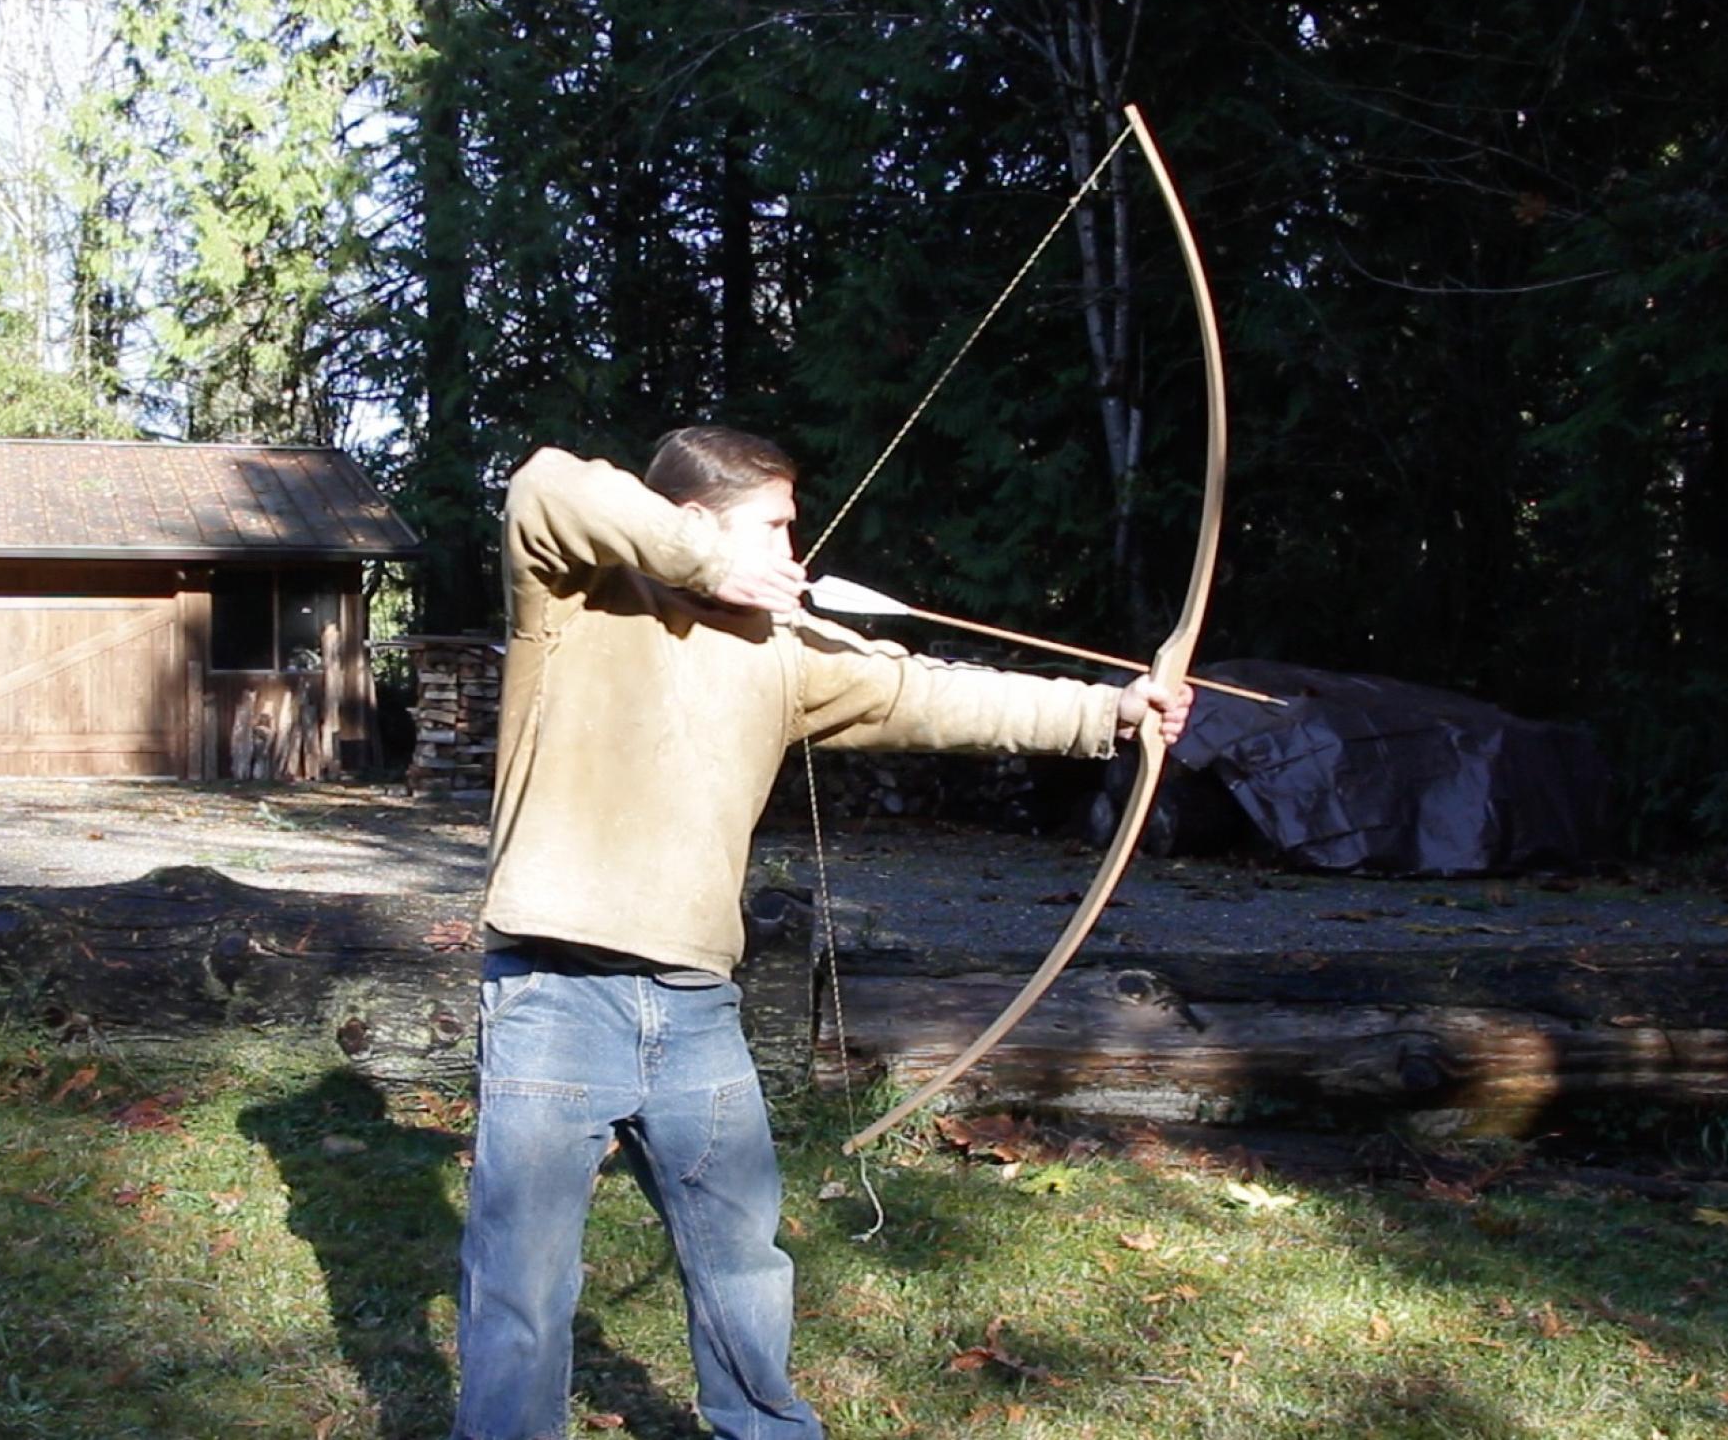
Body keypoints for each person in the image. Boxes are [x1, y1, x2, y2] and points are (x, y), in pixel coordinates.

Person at [451, 427, 1192, 1440]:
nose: (793, 552)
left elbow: (931, 691)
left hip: (696, 1003)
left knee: (743, 1260)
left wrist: (1110, 711)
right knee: (522, 1287)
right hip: (554, 989)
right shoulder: (579, 599)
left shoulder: (782, 654)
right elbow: (545, 481)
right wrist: (714, 562)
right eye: (775, 527)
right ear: (698, 516)